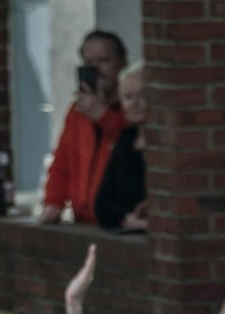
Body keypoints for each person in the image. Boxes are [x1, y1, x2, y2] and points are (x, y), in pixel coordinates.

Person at [38, 31, 129, 225]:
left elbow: (129, 145)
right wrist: (53, 203)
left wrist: (102, 115)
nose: (97, 68)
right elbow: (62, 162)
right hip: (83, 219)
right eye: (89, 62)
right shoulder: (78, 112)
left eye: (103, 60)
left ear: (121, 64)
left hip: (120, 221)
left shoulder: (131, 106)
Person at [93, 63, 148, 233]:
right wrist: (128, 219)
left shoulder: (168, 143)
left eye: (142, 95)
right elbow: (102, 205)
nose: (134, 103)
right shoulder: (126, 140)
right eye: (128, 97)